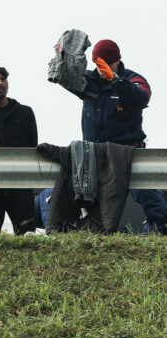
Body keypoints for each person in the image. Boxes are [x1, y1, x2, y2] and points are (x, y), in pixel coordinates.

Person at [65, 39, 167, 234]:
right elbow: (64, 77)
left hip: (129, 154)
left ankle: (160, 232)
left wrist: (116, 80)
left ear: (117, 60)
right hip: (97, 156)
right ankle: (99, 239)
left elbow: (141, 99)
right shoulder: (89, 81)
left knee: (149, 197)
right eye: (97, 64)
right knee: (99, 208)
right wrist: (64, 57)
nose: (101, 69)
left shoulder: (134, 79)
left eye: (106, 64)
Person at [0, 64, 38, 235]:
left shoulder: (24, 113)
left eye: (3, 79)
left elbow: (32, 146)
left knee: (27, 237)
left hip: (20, 186)